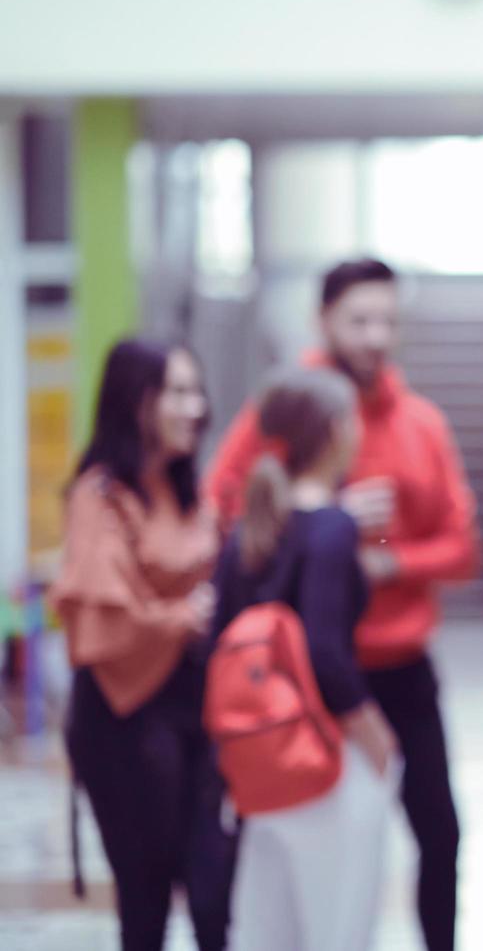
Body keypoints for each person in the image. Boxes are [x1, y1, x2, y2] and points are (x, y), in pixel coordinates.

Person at [205, 258, 479, 951]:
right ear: (323, 321)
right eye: (359, 320)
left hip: (401, 667)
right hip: (305, 678)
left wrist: (384, 558)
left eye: (388, 320)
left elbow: (463, 547)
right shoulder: (288, 406)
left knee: (437, 833)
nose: (376, 336)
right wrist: (324, 523)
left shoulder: (421, 423)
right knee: (291, 843)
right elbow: (228, 508)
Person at [51, 339, 234, 951]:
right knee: (146, 900)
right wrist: (184, 614)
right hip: (124, 716)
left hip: (197, 708)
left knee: (213, 890)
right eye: (178, 392)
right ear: (137, 403)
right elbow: (105, 618)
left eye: (196, 391)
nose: (195, 407)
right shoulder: (98, 495)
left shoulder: (188, 490)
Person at [213, 367, 400, 951]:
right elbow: (324, 651)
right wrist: (375, 735)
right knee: (338, 928)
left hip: (258, 758)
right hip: (325, 756)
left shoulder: (249, 529)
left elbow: (219, 640)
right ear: (337, 432)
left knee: (267, 931)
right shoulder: (331, 528)